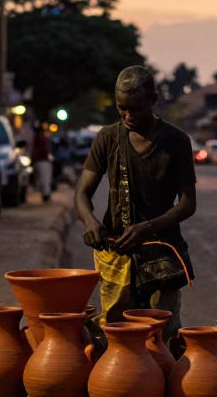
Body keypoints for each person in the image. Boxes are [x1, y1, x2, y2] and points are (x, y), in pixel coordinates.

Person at [75, 65, 197, 342]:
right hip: (116, 252)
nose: (129, 116)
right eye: (122, 109)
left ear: (153, 100)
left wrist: (146, 227)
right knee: (116, 331)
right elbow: (82, 193)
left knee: (161, 331)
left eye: (137, 109)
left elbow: (188, 204)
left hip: (161, 252)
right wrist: (90, 221)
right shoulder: (108, 138)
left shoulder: (176, 141)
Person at [31, 122, 53, 202]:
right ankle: (46, 195)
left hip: (40, 160)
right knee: (44, 179)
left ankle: (46, 195)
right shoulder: (41, 138)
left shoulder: (39, 138)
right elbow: (45, 150)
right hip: (42, 160)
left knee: (43, 179)